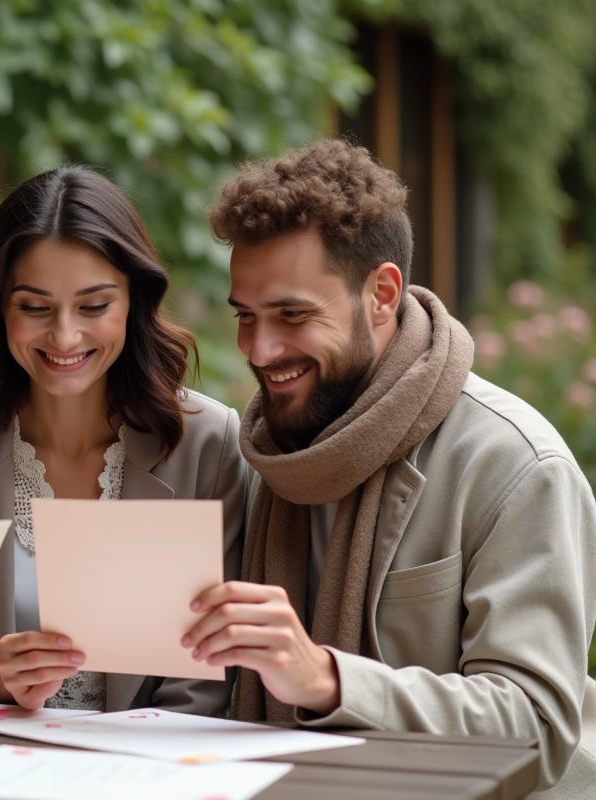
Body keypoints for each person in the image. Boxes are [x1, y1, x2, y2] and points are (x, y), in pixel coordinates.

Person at [183, 138, 596, 796]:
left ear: (381, 294)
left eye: (293, 315)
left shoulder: (516, 464)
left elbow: (539, 725)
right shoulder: (268, 451)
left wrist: (327, 680)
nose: (260, 350)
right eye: (246, 317)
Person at [0, 165, 249, 713]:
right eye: (34, 307)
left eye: (94, 306)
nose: (64, 336)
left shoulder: (211, 445)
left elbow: (203, 687)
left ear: (135, 300)